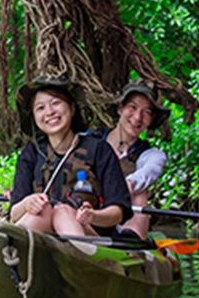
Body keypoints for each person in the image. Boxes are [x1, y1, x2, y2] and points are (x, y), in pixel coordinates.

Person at [8, 76, 133, 237]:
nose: (49, 112)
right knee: (44, 212)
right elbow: (14, 215)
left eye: (56, 103)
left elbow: (118, 213)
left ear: (72, 108)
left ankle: (80, 259)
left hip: (91, 237)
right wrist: (27, 203)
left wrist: (93, 216)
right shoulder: (31, 154)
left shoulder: (99, 150)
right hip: (42, 235)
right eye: (40, 108)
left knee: (63, 212)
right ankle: (11, 250)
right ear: (34, 117)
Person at [92, 79, 171, 239]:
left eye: (147, 112)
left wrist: (126, 185)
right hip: (88, 216)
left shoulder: (151, 155)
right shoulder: (89, 142)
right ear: (120, 108)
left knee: (139, 192)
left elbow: (150, 171)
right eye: (132, 108)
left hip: (122, 224)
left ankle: (131, 242)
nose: (137, 117)